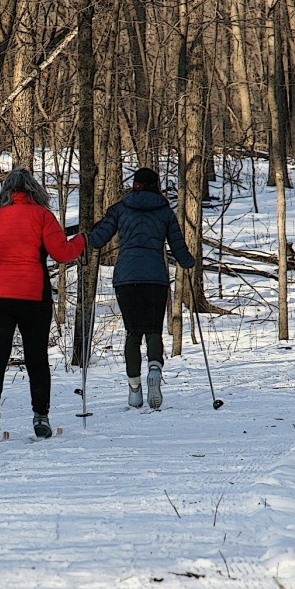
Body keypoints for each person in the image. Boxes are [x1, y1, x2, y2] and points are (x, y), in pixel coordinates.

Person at [0, 168, 87, 439]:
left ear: (5, 191)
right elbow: (62, 253)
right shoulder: (42, 215)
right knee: (36, 357)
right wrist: (82, 240)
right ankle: (41, 415)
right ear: (34, 190)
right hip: (33, 296)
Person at [85, 167, 196, 410]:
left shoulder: (120, 208)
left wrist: (90, 232)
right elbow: (178, 247)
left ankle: (134, 389)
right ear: (155, 185)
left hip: (126, 277)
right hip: (155, 277)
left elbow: (96, 240)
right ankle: (154, 370)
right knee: (154, 330)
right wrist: (188, 262)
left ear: (135, 184)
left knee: (133, 333)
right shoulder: (165, 212)